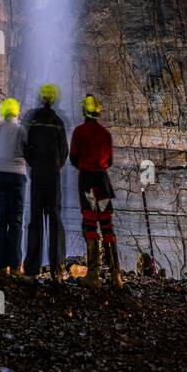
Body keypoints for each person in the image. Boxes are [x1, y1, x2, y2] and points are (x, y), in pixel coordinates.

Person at [70, 94, 123, 288]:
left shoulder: (79, 132)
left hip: (88, 181)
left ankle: (93, 275)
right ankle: (116, 276)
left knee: (91, 224)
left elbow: (74, 158)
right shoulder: (105, 134)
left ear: (84, 110)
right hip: (103, 181)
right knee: (107, 225)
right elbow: (109, 161)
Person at [22, 84, 68, 280]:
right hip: (53, 175)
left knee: (35, 220)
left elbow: (24, 145)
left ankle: (32, 269)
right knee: (55, 219)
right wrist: (56, 165)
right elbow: (64, 151)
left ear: (39, 98)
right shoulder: (58, 122)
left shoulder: (32, 119)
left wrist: (32, 164)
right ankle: (57, 269)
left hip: (38, 174)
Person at [0, 98, 27, 275]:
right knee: (16, 221)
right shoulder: (21, 130)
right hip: (18, 176)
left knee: (1, 221)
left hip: (1, 175)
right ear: (17, 112)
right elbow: (28, 151)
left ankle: (1, 266)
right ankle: (15, 266)